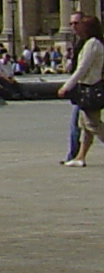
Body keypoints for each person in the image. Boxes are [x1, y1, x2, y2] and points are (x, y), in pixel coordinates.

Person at [59, 11, 104, 165]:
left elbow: (82, 69)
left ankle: (78, 157)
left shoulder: (92, 43)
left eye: (80, 25)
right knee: (84, 125)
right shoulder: (87, 42)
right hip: (86, 88)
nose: (76, 28)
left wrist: (66, 86)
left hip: (91, 88)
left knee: (93, 124)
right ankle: (80, 157)